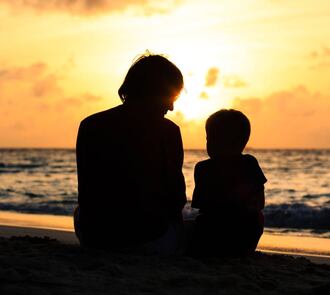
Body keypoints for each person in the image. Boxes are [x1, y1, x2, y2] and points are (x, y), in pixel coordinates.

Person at [74, 53, 186, 253]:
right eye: (171, 97)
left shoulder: (90, 125)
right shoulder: (168, 131)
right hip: (150, 240)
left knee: (79, 212)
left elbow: (87, 192)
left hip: (95, 236)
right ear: (153, 92)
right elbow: (176, 198)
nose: (171, 107)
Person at [190, 109, 266, 256]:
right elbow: (259, 202)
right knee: (258, 217)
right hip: (245, 233)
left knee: (192, 224)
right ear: (243, 142)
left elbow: (200, 205)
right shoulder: (250, 163)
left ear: (213, 141)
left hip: (211, 232)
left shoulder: (203, 168)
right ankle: (245, 249)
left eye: (209, 139)